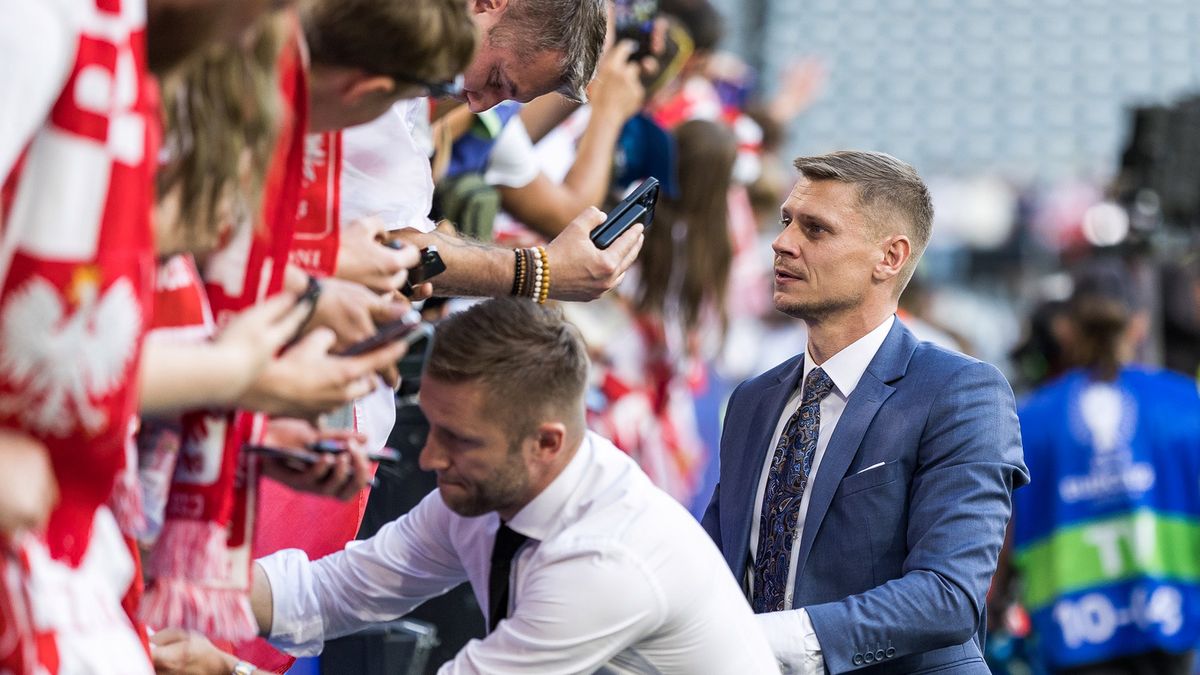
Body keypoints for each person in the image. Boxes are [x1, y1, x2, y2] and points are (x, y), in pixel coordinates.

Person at [155, 297, 780, 674]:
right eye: (430, 427)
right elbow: (332, 591)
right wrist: (163, 584)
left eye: (457, 439)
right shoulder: (499, 485)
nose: (428, 458)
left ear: (546, 442)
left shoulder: (601, 564)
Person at [701, 150, 1029, 674]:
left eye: (816, 229)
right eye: (786, 221)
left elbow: (948, 595)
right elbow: (713, 570)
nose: (783, 242)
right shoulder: (752, 401)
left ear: (890, 257)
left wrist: (770, 640)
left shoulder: (962, 393)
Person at [1012, 260, 1200, 674]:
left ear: (1066, 329)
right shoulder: (1185, 402)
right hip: (1174, 621)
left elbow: (1002, 534)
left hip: (1071, 631)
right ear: (1139, 324)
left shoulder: (1029, 418)